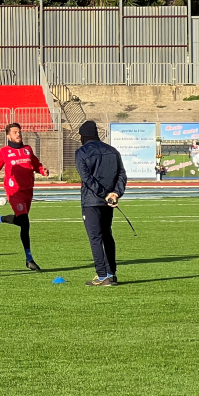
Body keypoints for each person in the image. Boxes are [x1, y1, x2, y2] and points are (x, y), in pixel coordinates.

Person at [0, 122, 49, 271]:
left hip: (28, 190)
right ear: (8, 136)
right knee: (25, 222)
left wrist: (42, 170)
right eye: (14, 132)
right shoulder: (5, 151)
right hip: (14, 191)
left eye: (19, 131)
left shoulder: (27, 149)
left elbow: (36, 164)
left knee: (21, 221)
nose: (18, 134)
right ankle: (29, 259)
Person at [75, 120, 127, 287]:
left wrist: (104, 194)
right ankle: (111, 273)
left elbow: (87, 178)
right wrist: (115, 193)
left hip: (92, 201)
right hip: (109, 201)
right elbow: (122, 175)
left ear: (83, 136)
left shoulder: (82, 152)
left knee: (95, 238)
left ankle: (102, 275)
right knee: (107, 235)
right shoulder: (112, 151)